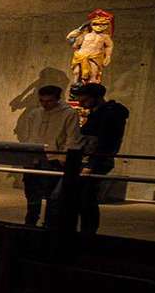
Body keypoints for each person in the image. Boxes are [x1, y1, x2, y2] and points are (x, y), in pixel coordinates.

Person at [70, 83, 131, 235]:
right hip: (90, 159)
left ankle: (88, 231)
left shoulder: (109, 114)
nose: (81, 103)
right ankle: (85, 230)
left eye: (84, 99)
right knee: (82, 197)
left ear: (96, 97)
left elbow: (106, 142)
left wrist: (91, 164)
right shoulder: (97, 113)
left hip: (96, 160)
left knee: (86, 198)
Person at [15, 84, 80, 226]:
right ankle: (30, 222)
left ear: (58, 99)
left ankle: (49, 224)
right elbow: (29, 135)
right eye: (42, 101)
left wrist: (63, 158)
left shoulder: (69, 114)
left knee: (52, 197)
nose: (45, 104)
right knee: (32, 193)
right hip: (34, 158)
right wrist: (27, 155)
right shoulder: (35, 113)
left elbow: (72, 138)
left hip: (53, 159)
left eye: (49, 101)